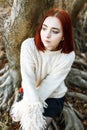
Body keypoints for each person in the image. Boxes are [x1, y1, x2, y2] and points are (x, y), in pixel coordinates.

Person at [10, 8, 75, 130]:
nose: (47, 35)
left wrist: (27, 108)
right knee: (19, 121)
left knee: (38, 127)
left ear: (63, 36)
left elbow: (49, 85)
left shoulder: (67, 56)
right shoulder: (28, 46)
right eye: (44, 28)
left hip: (53, 95)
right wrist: (27, 105)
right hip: (30, 91)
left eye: (55, 31)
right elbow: (27, 78)